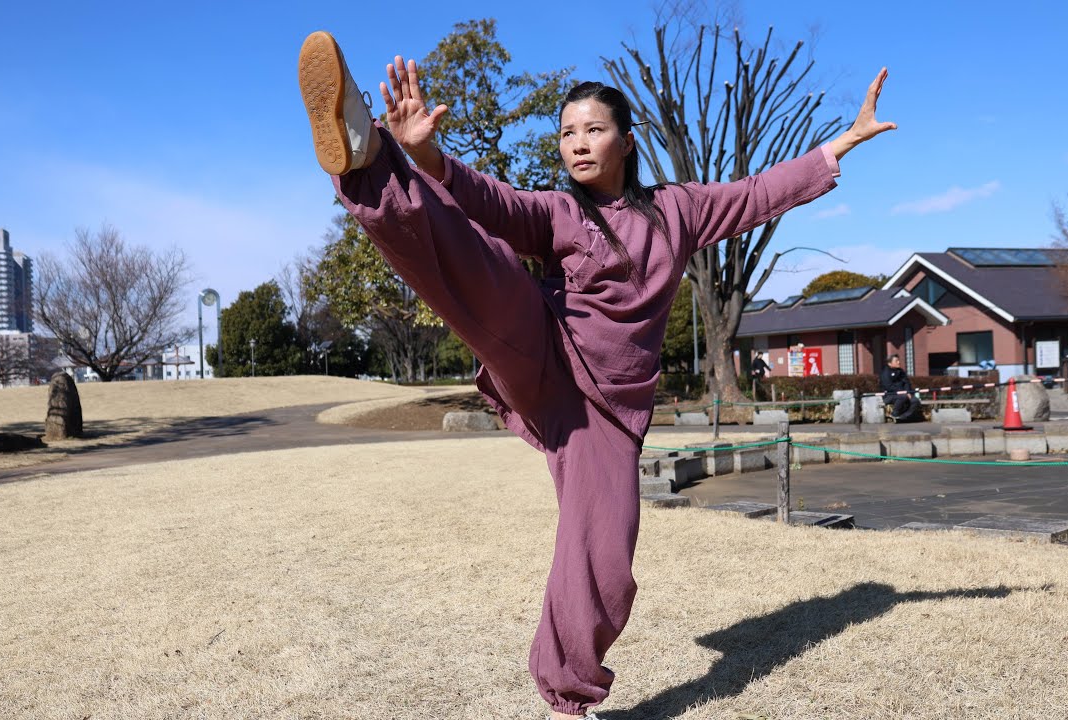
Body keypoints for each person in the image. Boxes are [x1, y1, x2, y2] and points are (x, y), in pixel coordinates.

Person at [298, 30, 896, 720]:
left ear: (627, 140)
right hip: (545, 351)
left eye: (593, 130)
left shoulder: (678, 211)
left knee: (605, 566)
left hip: (605, 416)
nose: (577, 143)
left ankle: (566, 696)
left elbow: (759, 192)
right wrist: (422, 151)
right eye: (566, 133)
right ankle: (369, 159)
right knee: (481, 263)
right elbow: (491, 202)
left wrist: (840, 144)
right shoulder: (558, 213)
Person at [880, 353, 922, 421]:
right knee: (903, 396)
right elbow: (889, 386)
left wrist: (908, 392)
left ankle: (903, 417)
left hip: (904, 393)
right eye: (896, 361)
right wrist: (903, 392)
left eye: (898, 360)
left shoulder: (901, 371)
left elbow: (906, 382)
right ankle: (894, 414)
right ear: (889, 363)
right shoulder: (885, 372)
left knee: (915, 401)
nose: (899, 362)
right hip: (889, 395)